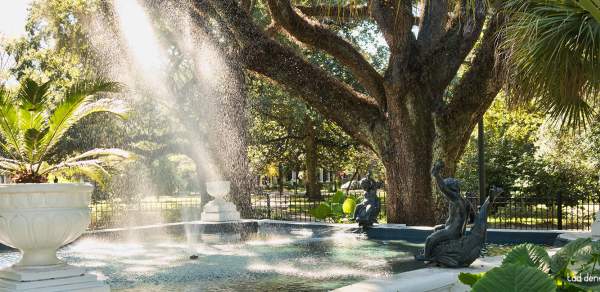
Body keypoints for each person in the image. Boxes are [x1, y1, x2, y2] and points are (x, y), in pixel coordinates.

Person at [416, 160, 468, 261]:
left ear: (451, 189)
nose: (445, 195)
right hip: (453, 229)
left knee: (430, 239)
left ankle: (426, 257)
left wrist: (436, 174)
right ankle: (435, 251)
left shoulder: (455, 198)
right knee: (436, 228)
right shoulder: (461, 200)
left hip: (452, 231)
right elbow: (470, 219)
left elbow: (443, 188)